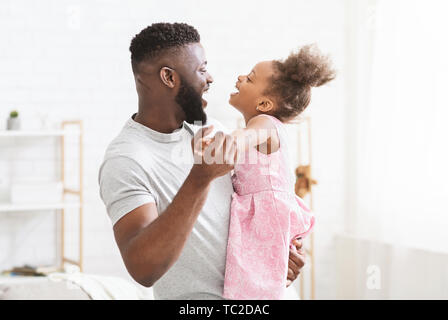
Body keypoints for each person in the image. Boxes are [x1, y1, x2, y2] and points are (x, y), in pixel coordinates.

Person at [98, 22, 306, 300]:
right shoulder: (127, 158)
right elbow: (143, 268)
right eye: (201, 69)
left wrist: (278, 249)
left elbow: (256, 206)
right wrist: (199, 179)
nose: (210, 79)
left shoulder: (212, 130)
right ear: (169, 78)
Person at [195, 45, 335, 299]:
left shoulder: (264, 124)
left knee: (253, 285)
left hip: (265, 213)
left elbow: (247, 137)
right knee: (258, 281)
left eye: (249, 78)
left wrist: (230, 141)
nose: (240, 78)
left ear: (263, 103)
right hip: (268, 211)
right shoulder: (270, 125)